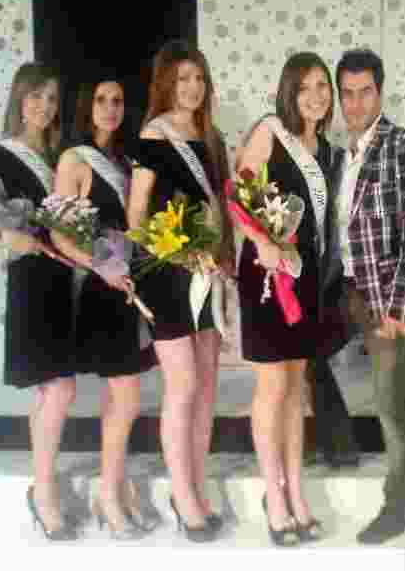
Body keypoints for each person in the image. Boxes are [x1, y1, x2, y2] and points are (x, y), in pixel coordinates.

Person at [126, 41, 234, 543]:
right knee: (184, 384)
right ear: (167, 83)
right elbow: (136, 215)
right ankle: (182, 494)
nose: (193, 87)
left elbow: (221, 209)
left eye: (199, 78)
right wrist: (176, 253)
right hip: (166, 272)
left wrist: (221, 259)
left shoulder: (211, 137)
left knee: (207, 386)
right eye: (183, 78)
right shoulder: (154, 134)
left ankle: (197, 484)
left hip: (205, 271)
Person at [0, 62, 77, 540]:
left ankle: (41, 484)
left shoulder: (60, 158)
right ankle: (45, 491)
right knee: (59, 388)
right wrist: (7, 239)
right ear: (19, 98)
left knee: (49, 390)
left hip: (65, 279)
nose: (44, 106)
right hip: (30, 280)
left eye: (51, 99)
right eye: (36, 96)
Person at [235, 51, 337, 546]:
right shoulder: (269, 132)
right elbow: (238, 196)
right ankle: (272, 495)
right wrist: (262, 243)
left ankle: (296, 492)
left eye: (322, 86)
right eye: (304, 88)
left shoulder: (327, 149)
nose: (315, 97)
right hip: (267, 271)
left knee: (297, 388)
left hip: (307, 274)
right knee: (273, 384)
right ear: (288, 93)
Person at [333, 48, 405, 545]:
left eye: (365, 92)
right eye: (347, 94)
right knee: (295, 363)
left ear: (380, 92)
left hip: (383, 296)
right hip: (341, 288)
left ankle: (399, 505)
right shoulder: (340, 155)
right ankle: (334, 448)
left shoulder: (404, 146)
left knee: (392, 402)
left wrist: (400, 306)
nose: (356, 104)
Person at [50, 76, 158, 539]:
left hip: (127, 286)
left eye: (117, 100)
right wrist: (101, 267)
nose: (110, 108)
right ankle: (109, 494)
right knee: (127, 397)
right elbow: (59, 234)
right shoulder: (74, 160)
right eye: (101, 100)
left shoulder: (125, 161)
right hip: (99, 288)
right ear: (86, 105)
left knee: (121, 400)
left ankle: (112, 489)